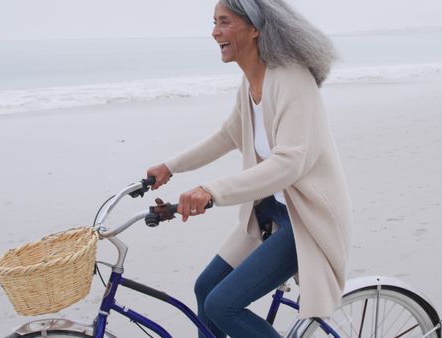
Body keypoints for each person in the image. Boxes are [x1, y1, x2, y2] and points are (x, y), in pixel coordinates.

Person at [146, 0, 352, 337]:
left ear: (255, 28)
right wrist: (170, 166)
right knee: (205, 288)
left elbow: (289, 163)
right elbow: (228, 134)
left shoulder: (292, 80)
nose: (215, 32)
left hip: (306, 221)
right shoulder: (251, 82)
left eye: (225, 22)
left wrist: (212, 191)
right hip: (272, 213)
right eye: (214, 22)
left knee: (223, 305)